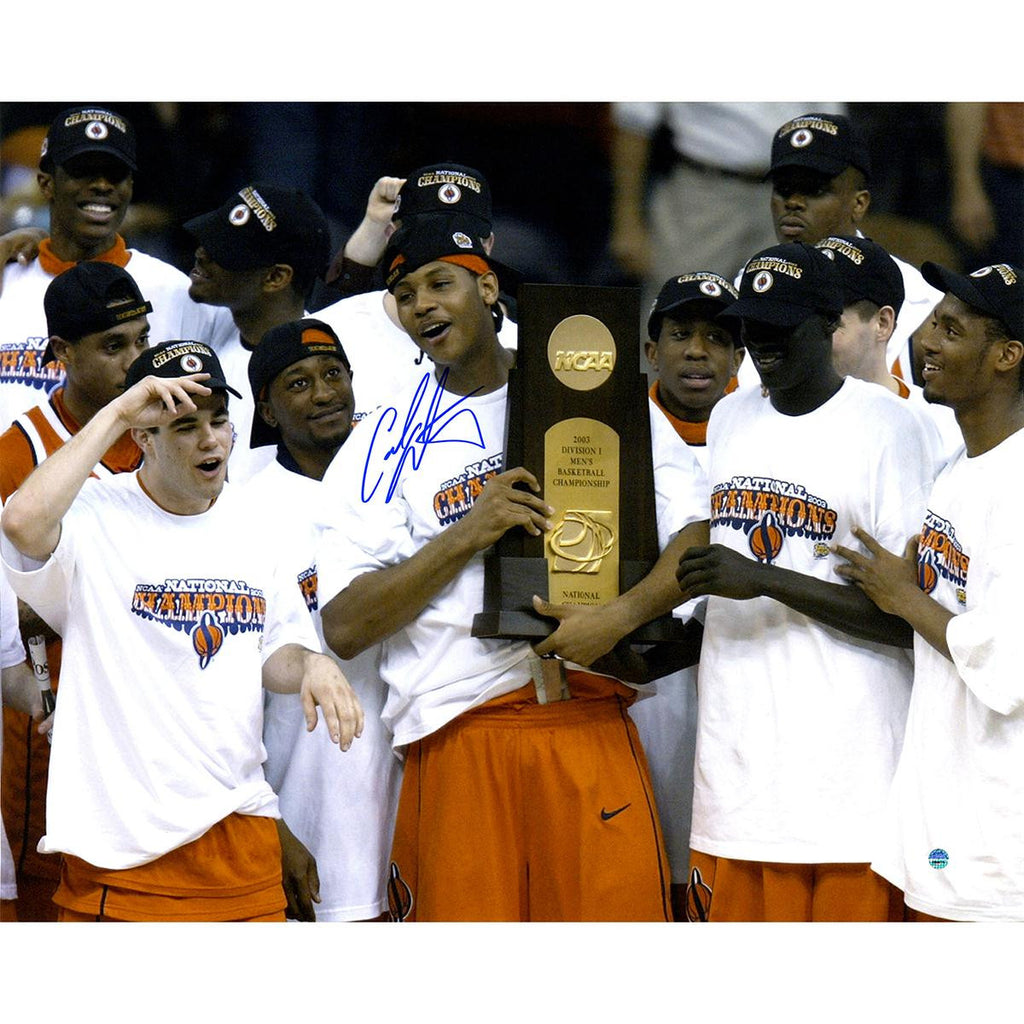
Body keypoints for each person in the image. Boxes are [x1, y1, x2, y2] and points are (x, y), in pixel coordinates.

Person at [316, 213, 708, 921]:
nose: (422, 305)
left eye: (441, 284)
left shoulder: (594, 391)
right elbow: (344, 624)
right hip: (462, 733)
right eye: (404, 294)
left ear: (488, 288)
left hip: (590, 717)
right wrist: (468, 533)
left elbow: (697, 534)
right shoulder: (381, 439)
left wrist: (616, 617)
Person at [0, 339, 362, 922]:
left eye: (218, 421)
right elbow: (19, 520)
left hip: (239, 836)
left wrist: (314, 665)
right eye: (185, 426)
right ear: (143, 437)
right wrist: (118, 411)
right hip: (123, 853)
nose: (210, 439)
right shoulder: (94, 514)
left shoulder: (258, 522)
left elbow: (276, 654)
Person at [674, 242, 935, 922]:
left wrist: (764, 579)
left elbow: (908, 622)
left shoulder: (889, 429)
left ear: (826, 326)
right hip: (735, 768)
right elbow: (719, 582)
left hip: (848, 778)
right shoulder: (730, 416)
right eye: (750, 327)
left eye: (779, 326)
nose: (761, 344)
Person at [834, 260, 1023, 922]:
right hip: (953, 808)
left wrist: (901, 595)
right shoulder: (961, 467)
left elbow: (1008, 666)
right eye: (931, 321)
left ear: (1006, 355)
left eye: (951, 328)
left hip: (1000, 833)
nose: (926, 342)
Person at [0, 261, 152, 921]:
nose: (136, 360)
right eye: (114, 346)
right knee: (48, 899)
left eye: (143, 340)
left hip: (150, 707)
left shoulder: (171, 432)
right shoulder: (18, 448)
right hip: (49, 710)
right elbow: (8, 605)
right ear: (62, 352)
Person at [242, 318, 403, 921]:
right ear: (267, 406)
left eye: (334, 374)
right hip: (310, 797)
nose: (324, 393)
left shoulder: (397, 473)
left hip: (410, 777)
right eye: (299, 383)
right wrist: (273, 824)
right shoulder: (244, 509)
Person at [0, 104, 233, 433]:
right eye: (84, 171)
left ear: (131, 187)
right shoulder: (7, 277)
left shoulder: (175, 291)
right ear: (46, 183)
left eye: (116, 173)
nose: (102, 185)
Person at [631, 270, 744, 917]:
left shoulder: (758, 439)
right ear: (651, 351)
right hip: (647, 683)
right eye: (680, 334)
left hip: (736, 679)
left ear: (739, 356)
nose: (697, 350)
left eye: (716, 337)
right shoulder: (608, 435)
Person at [315, 163, 518, 423]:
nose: (437, 249)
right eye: (421, 235)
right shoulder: (336, 329)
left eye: (457, 238)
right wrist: (373, 223)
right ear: (390, 236)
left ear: (487, 246)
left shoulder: (522, 347)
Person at [608, 103, 846, 318]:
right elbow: (634, 122)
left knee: (781, 318)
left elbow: (833, 127)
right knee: (680, 314)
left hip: (793, 188)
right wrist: (627, 223)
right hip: (703, 191)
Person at [762, 111, 943, 386]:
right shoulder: (749, 290)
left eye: (814, 190)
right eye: (784, 190)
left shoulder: (919, 304)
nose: (793, 203)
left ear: (859, 204)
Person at [183, 182, 333, 485]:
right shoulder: (201, 339)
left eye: (225, 252)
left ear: (276, 277)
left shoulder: (323, 380)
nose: (201, 254)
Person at [813, 233, 962, 467]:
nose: (807, 336)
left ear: (882, 323)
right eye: (800, 317)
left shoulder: (942, 431)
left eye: (830, 322)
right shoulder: (766, 411)